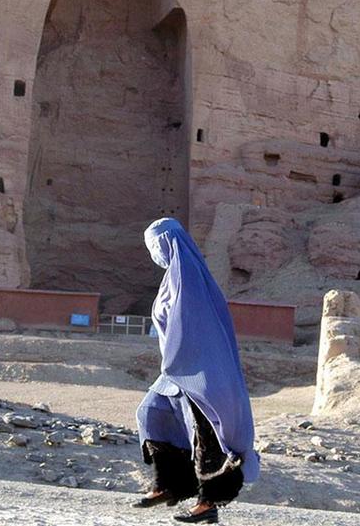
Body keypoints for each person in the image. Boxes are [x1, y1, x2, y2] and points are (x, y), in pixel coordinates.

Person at [133, 217, 260, 524]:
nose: (153, 252)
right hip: (178, 369)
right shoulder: (173, 278)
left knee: (208, 435)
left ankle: (208, 504)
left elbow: (192, 327)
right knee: (150, 412)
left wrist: (182, 364)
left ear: (166, 244)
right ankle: (168, 484)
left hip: (202, 372)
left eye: (154, 246)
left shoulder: (189, 279)